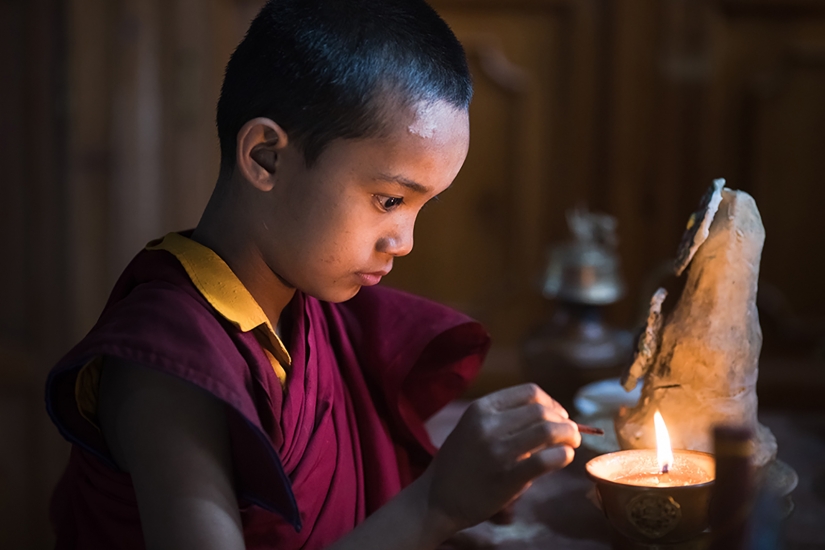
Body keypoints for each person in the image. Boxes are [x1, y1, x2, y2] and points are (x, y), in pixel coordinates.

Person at [45, 1, 581, 549]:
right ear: (266, 158)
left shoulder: (307, 306)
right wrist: (437, 504)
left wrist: (480, 474)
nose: (405, 241)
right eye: (390, 199)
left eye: (423, 207)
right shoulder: (169, 367)